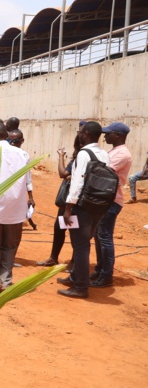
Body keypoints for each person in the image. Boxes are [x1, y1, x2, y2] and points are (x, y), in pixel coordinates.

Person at [56, 121, 110, 298]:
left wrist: (68, 208)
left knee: (80, 247)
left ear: (85, 134)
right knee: (83, 243)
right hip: (98, 206)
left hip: (82, 206)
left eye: (80, 131)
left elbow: (77, 183)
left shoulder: (84, 154)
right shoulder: (103, 154)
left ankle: (80, 287)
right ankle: (75, 277)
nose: (79, 134)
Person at [0, 121, 29, 296]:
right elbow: (27, 180)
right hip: (16, 208)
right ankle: (6, 282)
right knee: (10, 247)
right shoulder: (23, 154)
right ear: (6, 135)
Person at [91, 122, 132, 288]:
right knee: (99, 236)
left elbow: (102, 171)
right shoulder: (114, 151)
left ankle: (106, 275)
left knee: (104, 237)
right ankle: (100, 269)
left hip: (112, 200)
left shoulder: (122, 154)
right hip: (105, 199)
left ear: (119, 135)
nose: (105, 136)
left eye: (108, 133)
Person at [37, 134, 82, 268]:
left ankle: (74, 262)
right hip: (69, 199)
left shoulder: (81, 158)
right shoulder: (78, 158)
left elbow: (62, 173)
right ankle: (54, 258)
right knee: (59, 228)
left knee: (73, 231)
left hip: (75, 200)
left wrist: (61, 156)